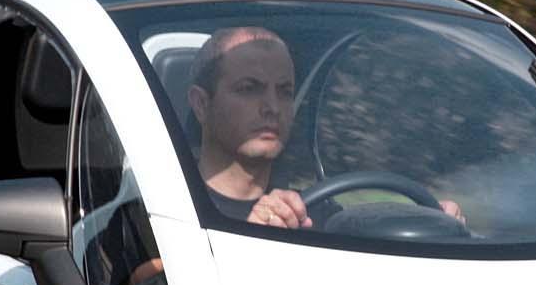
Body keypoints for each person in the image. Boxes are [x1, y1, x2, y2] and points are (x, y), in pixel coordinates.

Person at [187, 25, 463, 228]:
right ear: (201, 104)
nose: (272, 106)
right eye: (249, 88)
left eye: (285, 91)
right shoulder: (171, 210)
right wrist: (252, 236)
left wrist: (436, 225)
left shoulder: (316, 213)